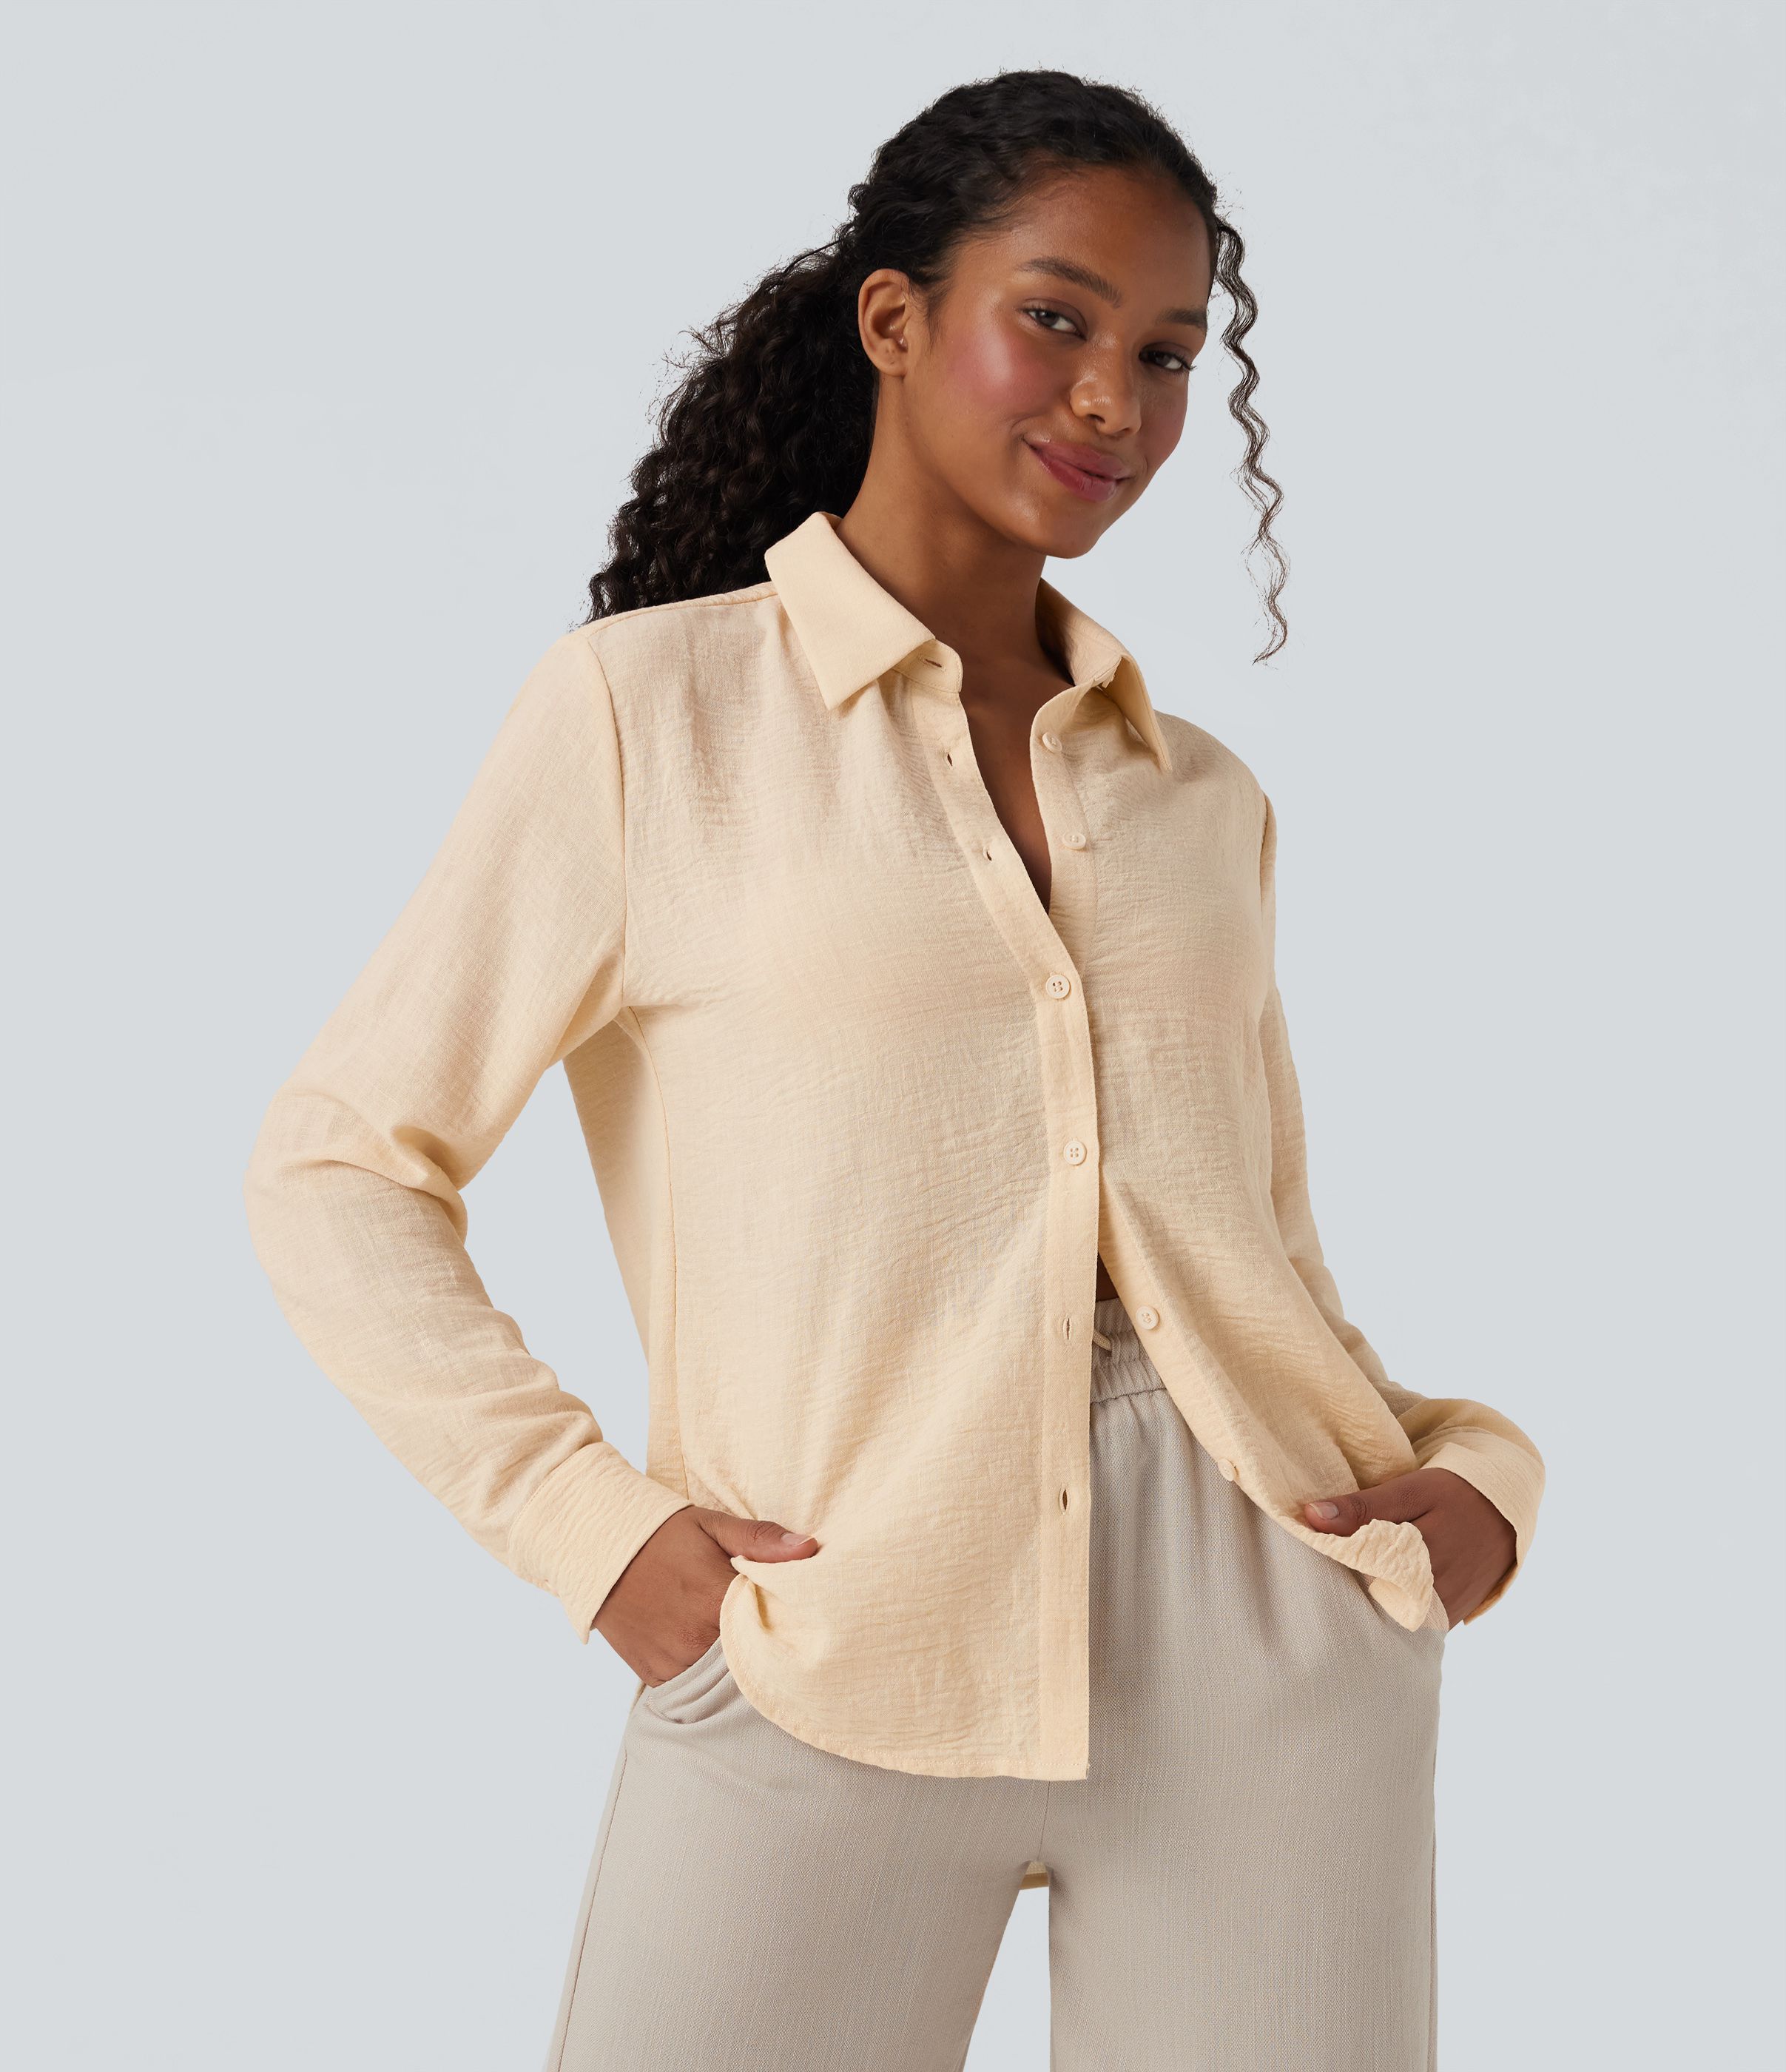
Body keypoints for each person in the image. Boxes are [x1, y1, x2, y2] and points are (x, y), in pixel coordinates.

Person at [243, 67, 1543, 2072]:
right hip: (826, 1634)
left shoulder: (1200, 798)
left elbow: (1260, 1262)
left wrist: (1475, 1490)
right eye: (1057, 318)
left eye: (1167, 353)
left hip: (1268, 1645)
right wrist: (594, 1533)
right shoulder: (647, 718)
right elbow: (341, 1166)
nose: (1116, 402)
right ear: (895, 318)